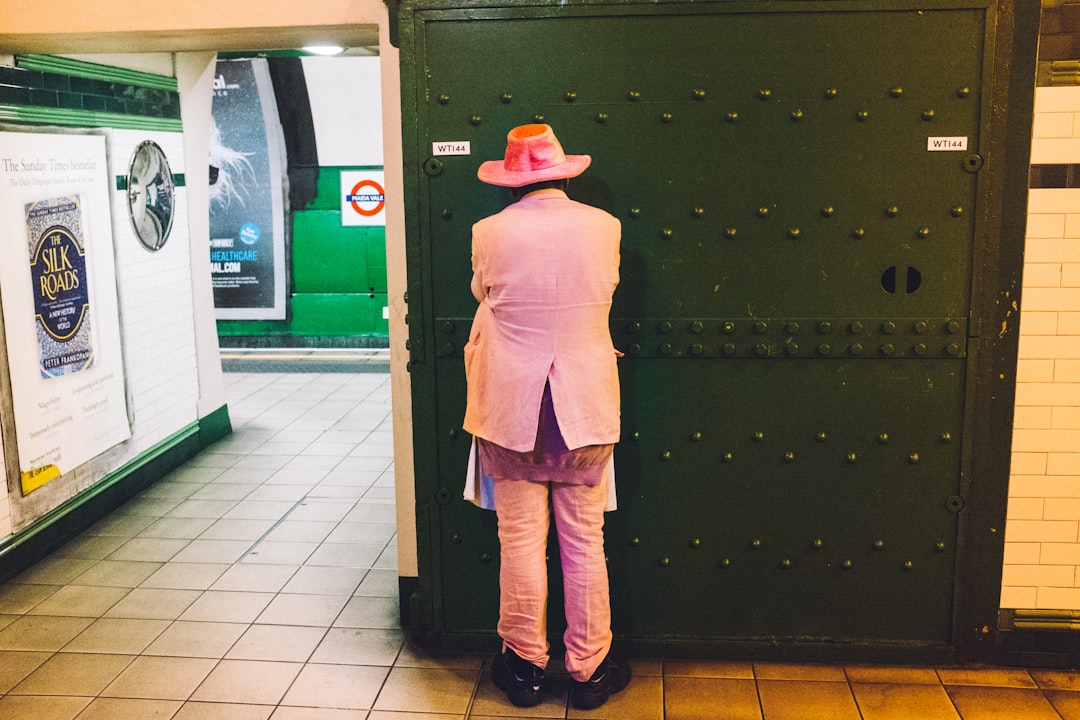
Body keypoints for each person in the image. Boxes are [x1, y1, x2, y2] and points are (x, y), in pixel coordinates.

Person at [462, 123, 631, 710]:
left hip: (512, 411)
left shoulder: (489, 231)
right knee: (585, 541)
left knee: (520, 542)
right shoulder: (604, 227)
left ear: (512, 181)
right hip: (585, 408)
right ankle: (590, 670)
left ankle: (525, 668)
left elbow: (483, 293)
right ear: (563, 173)